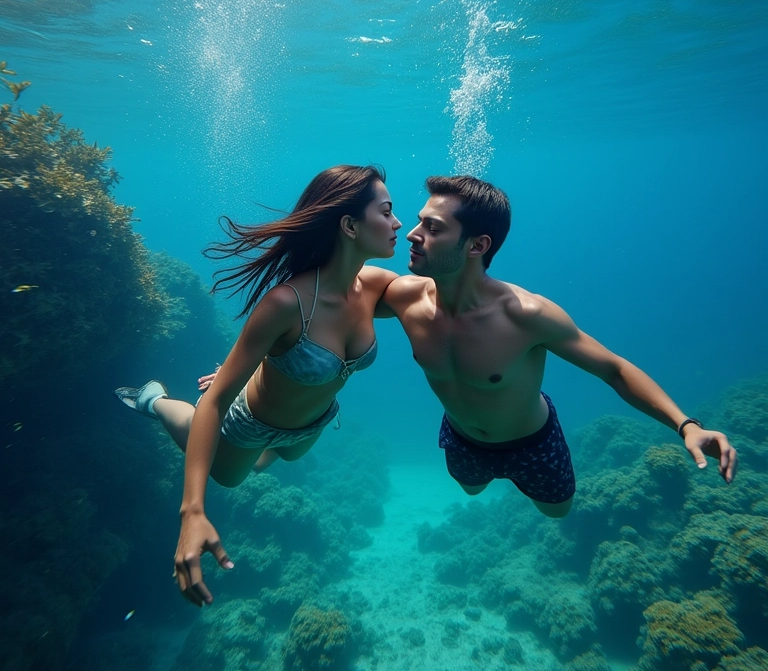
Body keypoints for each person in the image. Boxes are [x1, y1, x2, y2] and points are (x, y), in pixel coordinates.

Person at [114, 165, 401, 606]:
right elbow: (215, 402)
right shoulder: (286, 303)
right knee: (231, 474)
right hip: (249, 422)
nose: (398, 223)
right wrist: (192, 512)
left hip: (312, 425)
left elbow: (439, 294)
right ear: (349, 225)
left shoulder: (376, 286)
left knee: (272, 460)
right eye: (386, 212)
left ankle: (247, 386)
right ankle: (155, 401)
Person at [377, 175, 738, 519]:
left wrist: (686, 425)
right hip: (462, 439)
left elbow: (614, 369)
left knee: (557, 511)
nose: (412, 233)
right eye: (420, 221)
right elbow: (346, 285)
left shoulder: (527, 315)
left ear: (477, 245)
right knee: (470, 489)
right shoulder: (403, 297)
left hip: (532, 444)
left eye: (433, 228)